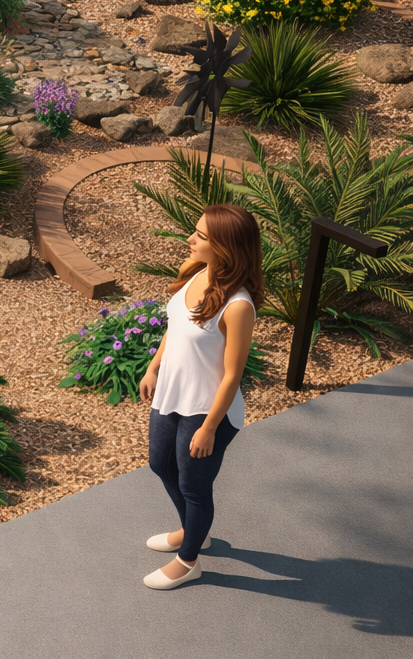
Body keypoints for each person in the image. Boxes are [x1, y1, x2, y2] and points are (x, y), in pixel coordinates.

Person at [138, 202, 261, 589]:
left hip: (209, 410)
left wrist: (209, 428)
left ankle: (190, 560)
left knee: (194, 486)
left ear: (226, 247)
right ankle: (194, 530)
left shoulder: (238, 306)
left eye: (201, 236)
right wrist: (153, 366)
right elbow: (175, 328)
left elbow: (231, 376)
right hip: (173, 393)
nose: (190, 239)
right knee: (161, 464)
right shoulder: (195, 273)